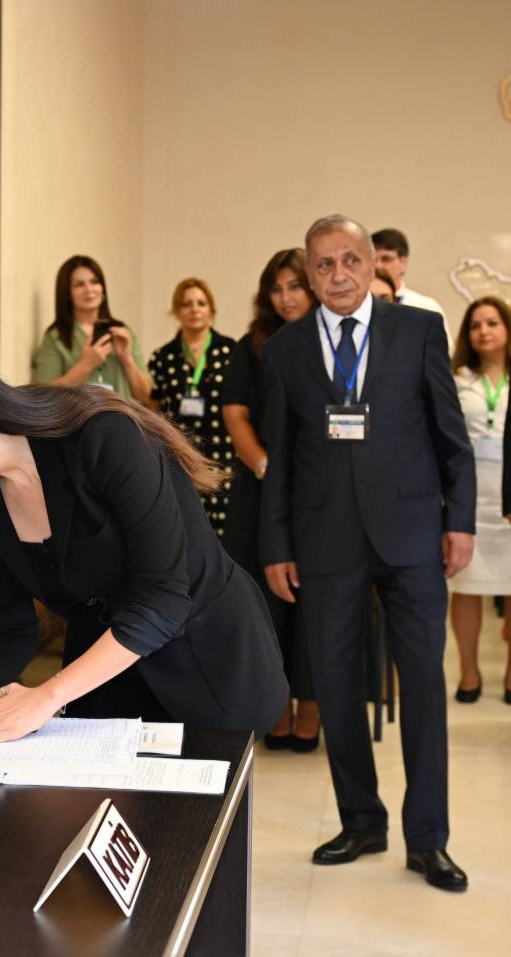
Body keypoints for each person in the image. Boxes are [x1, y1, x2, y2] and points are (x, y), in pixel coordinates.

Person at [0, 345, 285, 743]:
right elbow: (10, 630)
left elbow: (163, 599)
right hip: (102, 677)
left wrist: (45, 696)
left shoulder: (104, 438)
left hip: (208, 663)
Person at [261, 215, 475, 892]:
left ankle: (428, 838)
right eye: (324, 264)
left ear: (373, 266)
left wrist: (460, 519)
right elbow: (282, 457)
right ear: (308, 272)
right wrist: (276, 543)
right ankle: (361, 819)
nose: (340, 274)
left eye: (351, 259)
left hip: (413, 531)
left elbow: (450, 433)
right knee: (336, 682)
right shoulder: (286, 350)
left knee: (423, 685)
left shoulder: (416, 330)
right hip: (325, 541)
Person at [221, 249, 320, 751]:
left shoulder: (329, 342)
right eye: (277, 288)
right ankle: (275, 709)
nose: (286, 297)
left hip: (321, 495)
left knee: (314, 601)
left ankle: (311, 710)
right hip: (259, 490)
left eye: (295, 286)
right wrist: (265, 466)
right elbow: (235, 414)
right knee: (263, 603)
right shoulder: (251, 345)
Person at [446, 297, 511, 704]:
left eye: (492, 323)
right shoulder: (457, 379)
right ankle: (469, 673)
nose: (483, 331)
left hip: (509, 492)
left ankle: (510, 675)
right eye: (475, 325)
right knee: (466, 587)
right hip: (470, 493)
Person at [148, 278, 236, 537]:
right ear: (176, 312)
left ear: (211, 310)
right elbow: (154, 408)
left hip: (222, 458)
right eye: (186, 304)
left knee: (225, 538)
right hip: (179, 458)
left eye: (201, 303)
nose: (194, 309)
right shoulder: (163, 357)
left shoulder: (230, 351)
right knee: (185, 533)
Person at [30, 255, 152, 403]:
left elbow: (146, 396)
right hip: (78, 424)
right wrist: (86, 364)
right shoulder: (56, 337)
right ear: (67, 293)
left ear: (103, 288)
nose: (89, 289)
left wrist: (127, 360)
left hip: (121, 421)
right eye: (79, 285)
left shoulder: (123, 332)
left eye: (94, 282)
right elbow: (41, 396)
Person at [371, 227, 451, 342]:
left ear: (403, 263)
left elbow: (443, 353)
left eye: (386, 259)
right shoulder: (357, 305)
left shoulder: (426, 307)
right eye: (373, 259)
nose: (377, 266)